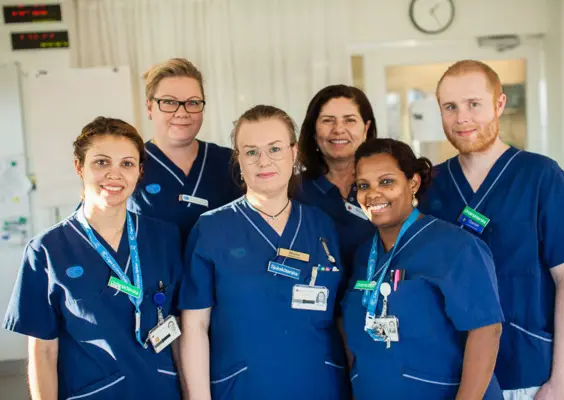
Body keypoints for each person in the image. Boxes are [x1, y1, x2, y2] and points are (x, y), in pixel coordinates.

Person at [421, 60, 564, 399]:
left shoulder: (542, 177)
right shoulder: (431, 186)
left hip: (528, 371)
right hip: (452, 373)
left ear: (499, 104)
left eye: (474, 104)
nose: (462, 118)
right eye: (450, 107)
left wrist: (560, 381)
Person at [3, 117, 183, 399]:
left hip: (161, 390)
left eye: (127, 164)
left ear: (139, 171)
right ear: (79, 166)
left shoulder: (164, 238)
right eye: (101, 162)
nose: (114, 174)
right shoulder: (46, 251)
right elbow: (43, 352)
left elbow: (182, 328)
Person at [178, 105, 350, 400]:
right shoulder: (211, 229)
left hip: (320, 384)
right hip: (243, 387)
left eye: (274, 149)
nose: (264, 161)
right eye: (251, 152)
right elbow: (195, 325)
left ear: (294, 153)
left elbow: (341, 317)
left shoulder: (321, 225)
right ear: (239, 159)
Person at [342, 138, 505, 399]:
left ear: (413, 183)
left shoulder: (456, 247)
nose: (373, 194)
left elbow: (486, 331)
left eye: (386, 182)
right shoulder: (363, 257)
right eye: (363, 185)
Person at [128, 58, 241, 241]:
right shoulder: (129, 164)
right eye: (169, 102)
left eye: (193, 103)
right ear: (149, 107)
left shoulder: (228, 162)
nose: (182, 113)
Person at [297, 85, 378, 274]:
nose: (338, 129)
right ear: (314, 130)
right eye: (328, 120)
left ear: (366, 128)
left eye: (349, 120)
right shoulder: (294, 191)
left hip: (377, 290)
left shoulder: (385, 187)